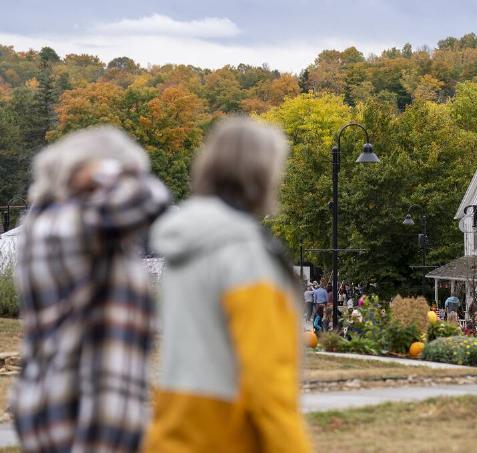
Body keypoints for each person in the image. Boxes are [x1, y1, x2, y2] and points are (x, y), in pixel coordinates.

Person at [145, 118, 311, 452]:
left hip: (175, 431)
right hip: (227, 437)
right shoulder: (243, 253)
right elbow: (267, 378)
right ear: (264, 174)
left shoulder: (185, 244)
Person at [11, 126, 171, 452]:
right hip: (86, 420)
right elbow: (151, 197)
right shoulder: (72, 225)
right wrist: (111, 169)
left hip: (60, 411)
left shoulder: (49, 228)